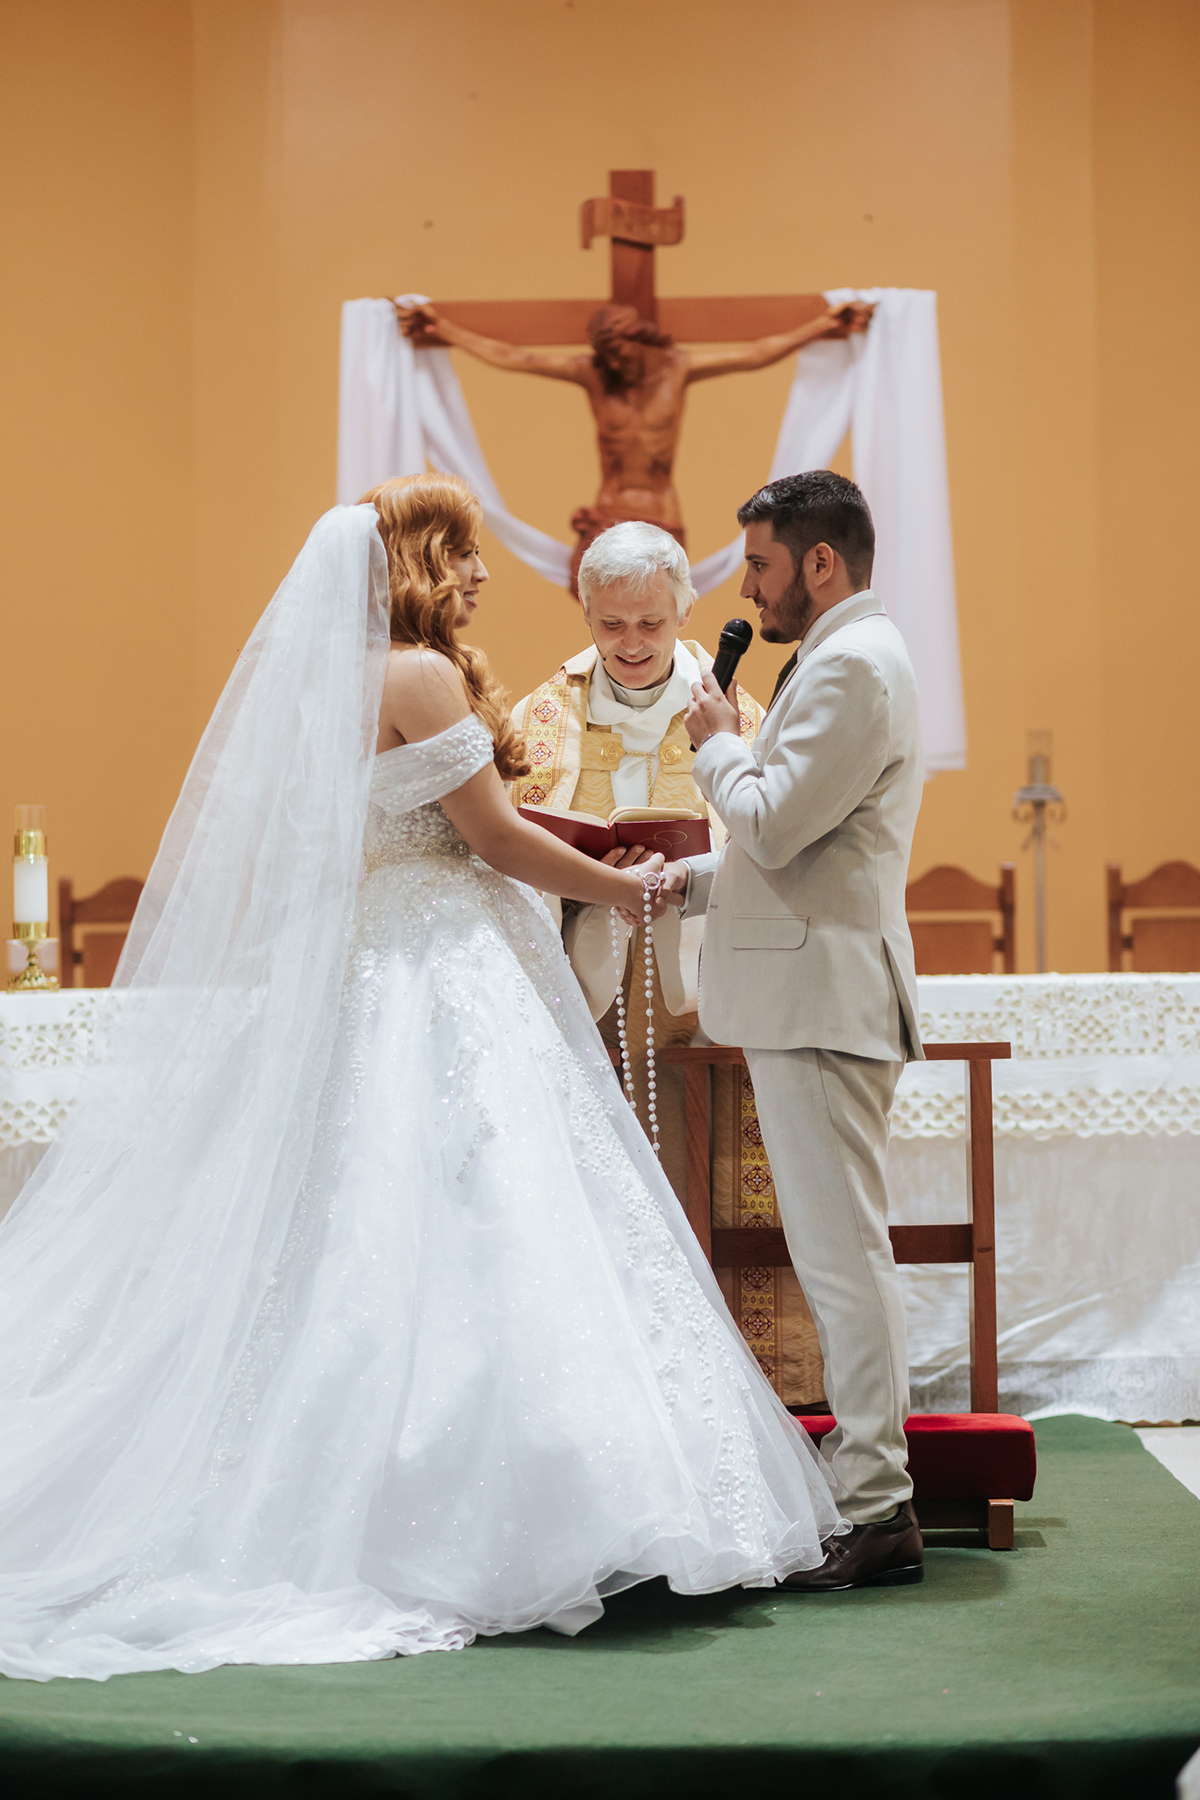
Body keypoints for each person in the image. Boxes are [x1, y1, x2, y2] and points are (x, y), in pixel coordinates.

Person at [0, 474, 846, 1682]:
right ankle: (532, 1519)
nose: (482, 573)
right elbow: (495, 838)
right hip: (446, 966)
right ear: (414, 561)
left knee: (366, 1220)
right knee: (497, 1205)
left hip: (376, 960)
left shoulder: (343, 681)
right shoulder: (421, 673)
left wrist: (584, 852)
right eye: (461, 554)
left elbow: (442, 826)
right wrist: (636, 886)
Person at [659, 470, 926, 1591]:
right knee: (837, 1256)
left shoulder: (854, 666)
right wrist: (688, 880)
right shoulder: (838, 661)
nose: (752, 588)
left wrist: (719, 742)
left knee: (842, 1261)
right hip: (808, 988)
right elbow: (808, 851)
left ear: (822, 563)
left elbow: (770, 822)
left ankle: (878, 1507)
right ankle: (868, 1495)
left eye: (763, 565)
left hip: (822, 1004)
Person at [509, 520, 764, 1199]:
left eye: (651, 622)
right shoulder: (539, 720)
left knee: (698, 1174)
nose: (630, 643)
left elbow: (773, 842)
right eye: (612, 623)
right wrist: (590, 880)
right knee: (593, 1180)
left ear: (684, 610)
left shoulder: (732, 714)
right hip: (585, 976)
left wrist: (689, 876)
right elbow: (507, 852)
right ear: (587, 612)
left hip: (700, 978)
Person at [398, 299, 873, 591]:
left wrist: (821, 327)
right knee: (603, 612)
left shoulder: (677, 368)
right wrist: (444, 331)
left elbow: (754, 354)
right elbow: (518, 357)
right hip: (606, 513)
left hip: (661, 514)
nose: (616, 361)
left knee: (657, 614)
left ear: (638, 338)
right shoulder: (593, 374)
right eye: (607, 353)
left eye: (621, 349)